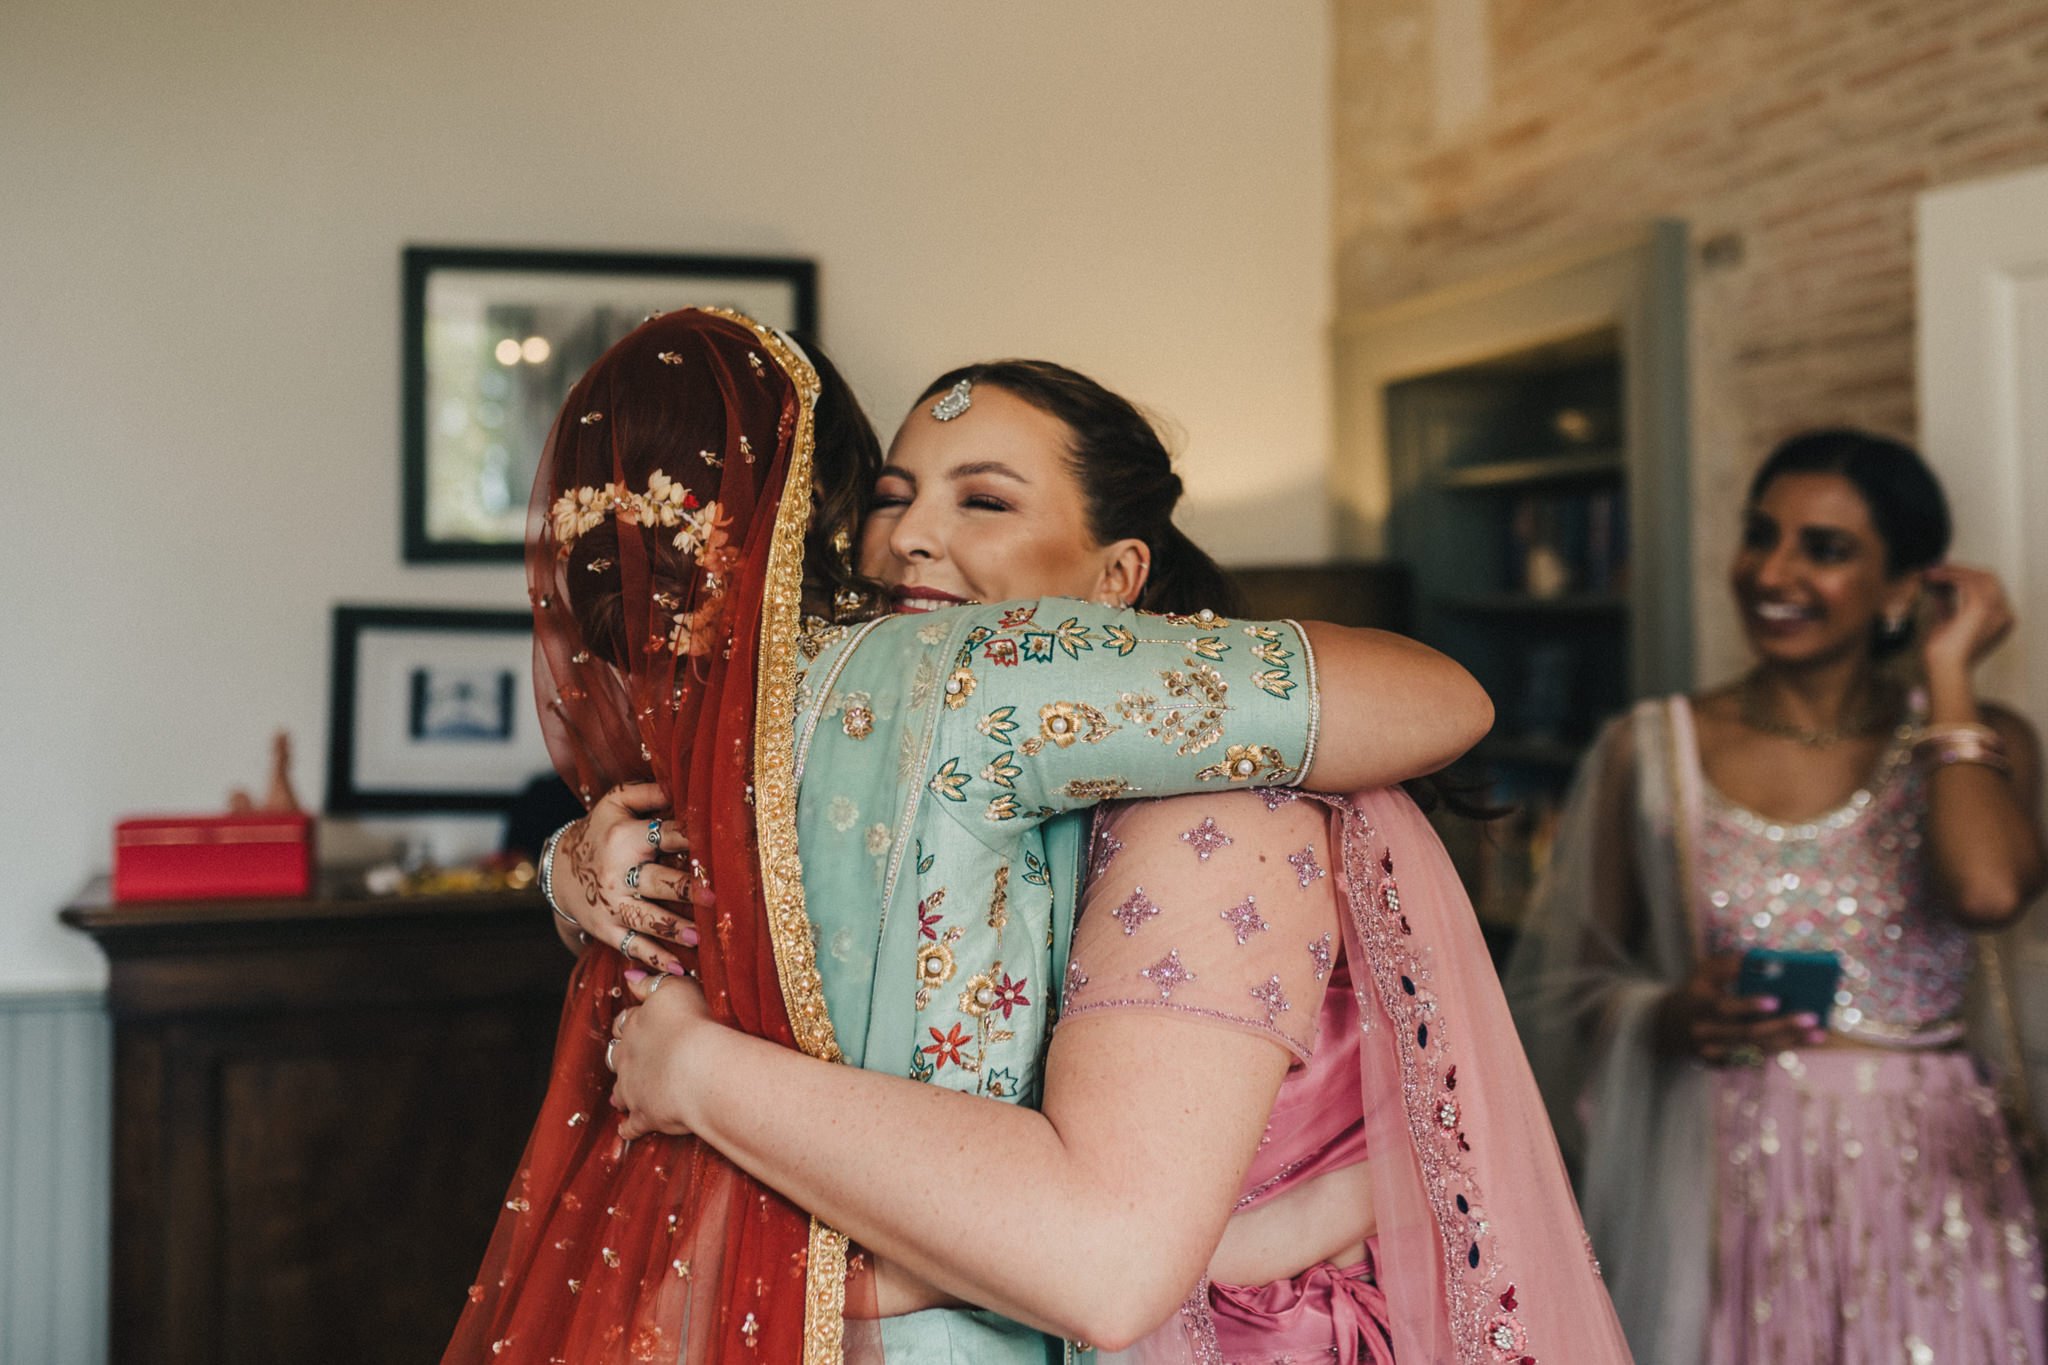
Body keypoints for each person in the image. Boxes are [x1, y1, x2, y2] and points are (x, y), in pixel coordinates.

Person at [449, 327, 1494, 1365]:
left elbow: (1108, 1258)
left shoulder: (1204, 809)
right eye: (890, 498)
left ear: (1117, 582)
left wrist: (702, 1081)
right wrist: (571, 865)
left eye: (983, 501)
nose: (907, 539)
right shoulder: (814, 728)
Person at [1505, 428, 2048, 1365]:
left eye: (1825, 548)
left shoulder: (1975, 739)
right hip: (1727, 1188)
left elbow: (1989, 888)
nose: (1773, 570)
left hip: (1936, 1190)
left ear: (1900, 588)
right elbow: (1563, 991)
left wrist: (1948, 672)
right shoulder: (1654, 749)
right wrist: (1670, 1014)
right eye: (1763, 535)